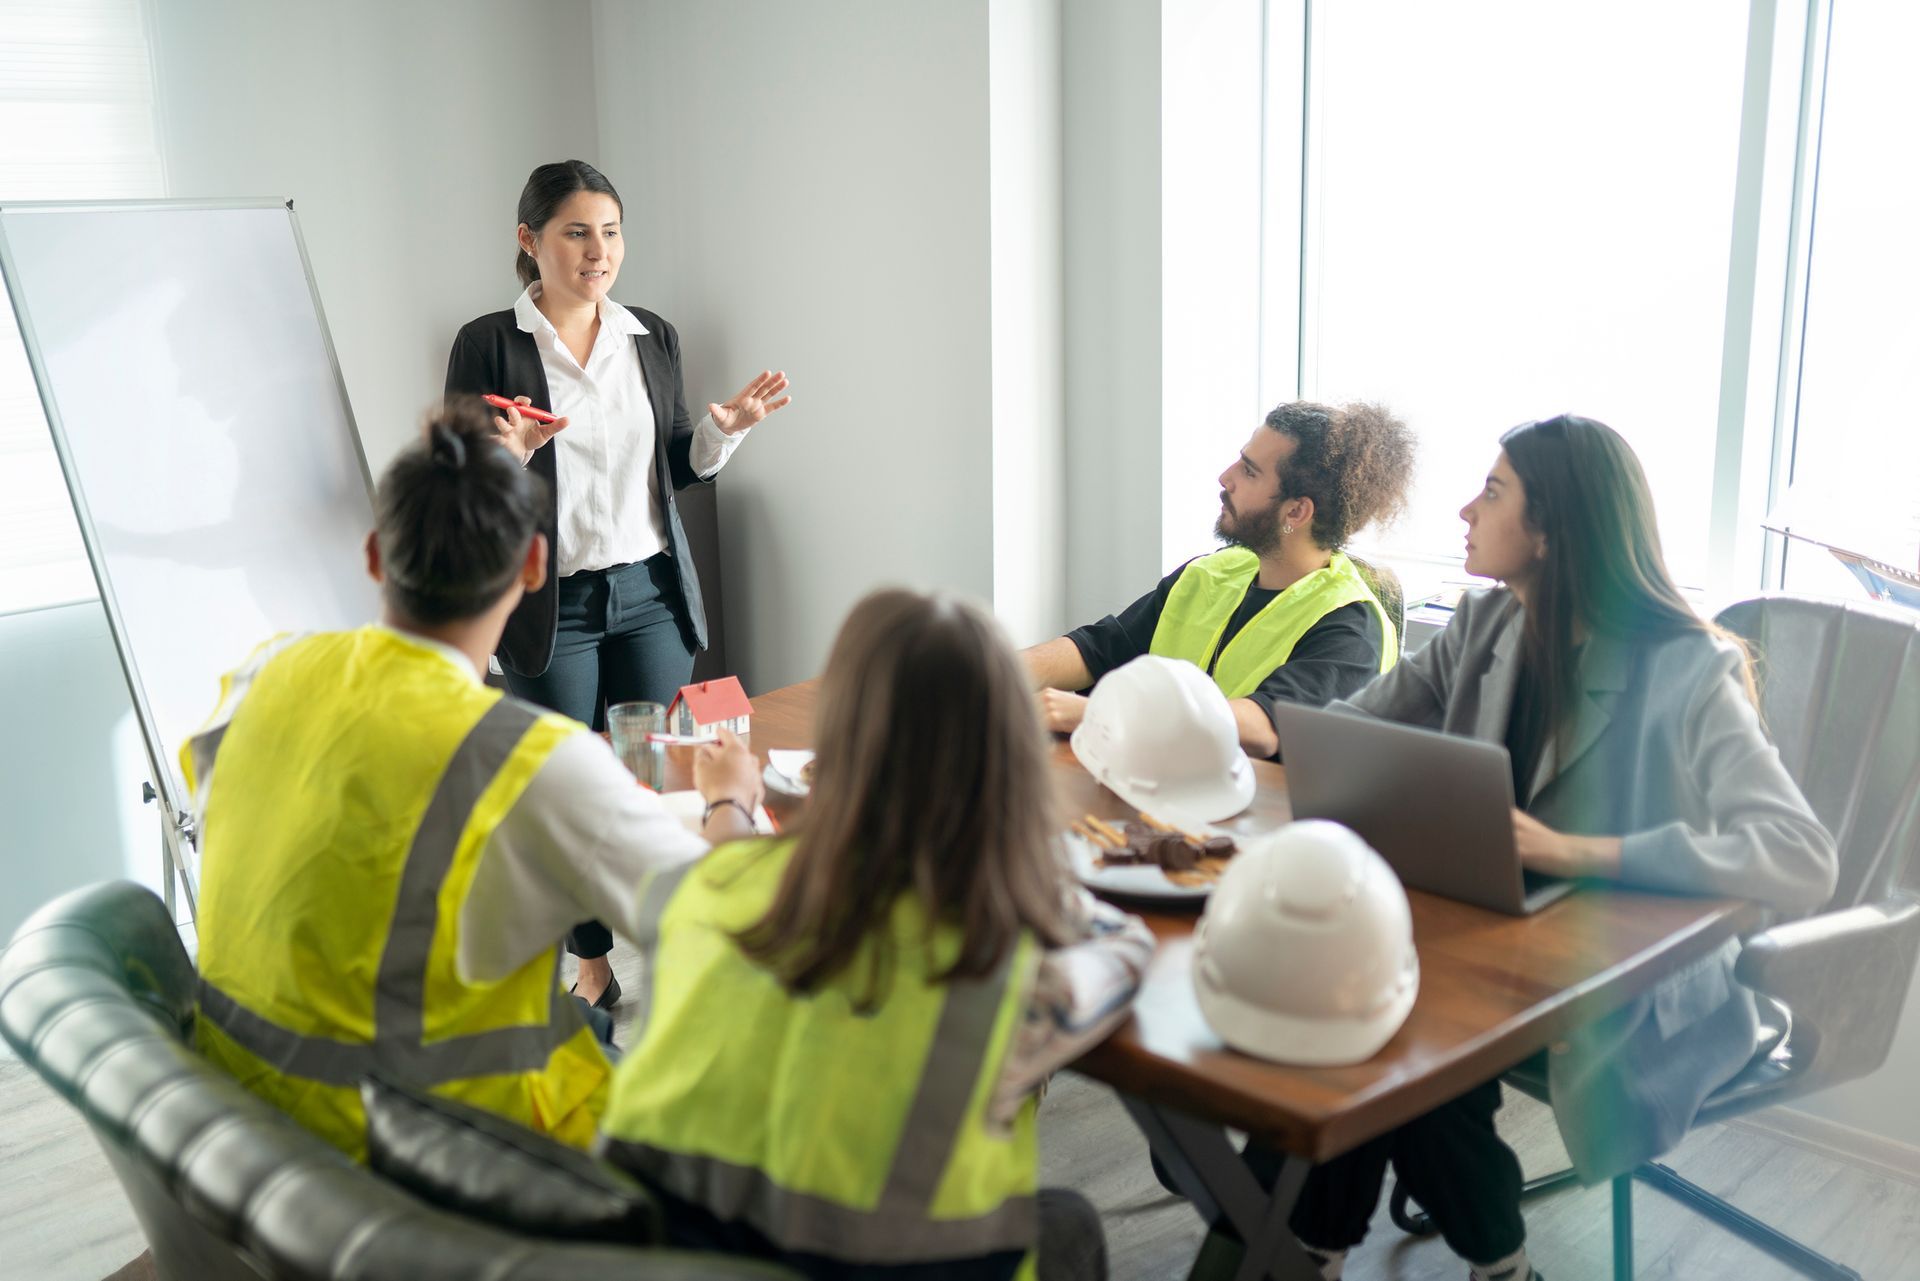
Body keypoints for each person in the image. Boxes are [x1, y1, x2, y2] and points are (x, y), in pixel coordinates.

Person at [1249, 415, 1838, 1281]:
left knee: (1409, 1050)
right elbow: (1347, 731)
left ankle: (1447, 1258)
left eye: (1492, 492)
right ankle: (1327, 1248)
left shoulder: (1687, 668)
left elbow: (1799, 854)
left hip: (1632, 986)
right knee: (1365, 1015)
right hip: (1492, 946)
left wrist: (1578, 851)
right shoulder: (1486, 626)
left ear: (1553, 526)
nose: (1465, 510)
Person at [182, 403, 765, 1161]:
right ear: (533, 566)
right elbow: (727, 919)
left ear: (373, 554)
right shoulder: (530, 759)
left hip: (254, 1131)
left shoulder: (267, 673)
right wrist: (731, 796)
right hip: (440, 1164)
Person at [596, 589, 1157, 1281]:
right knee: (1067, 1222)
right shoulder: (1012, 967)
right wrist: (1026, 867)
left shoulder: (698, 890)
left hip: (658, 1260)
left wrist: (729, 803)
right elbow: (1129, 952)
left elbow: (732, 861)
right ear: (1008, 762)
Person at [445, 158, 791, 1009]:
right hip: (548, 607)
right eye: (576, 232)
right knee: (566, 795)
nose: (598, 251)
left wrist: (723, 433)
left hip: (649, 594)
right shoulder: (489, 343)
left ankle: (684, 952)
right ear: (529, 241)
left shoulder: (652, 337)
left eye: (610, 231)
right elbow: (460, 479)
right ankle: (590, 957)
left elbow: (675, 467)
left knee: (663, 782)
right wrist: (509, 455)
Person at [1023, 401, 1416, 759]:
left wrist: (1104, 713)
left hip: (1257, 819)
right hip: (1161, 786)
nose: (1225, 478)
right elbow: (1101, 649)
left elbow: (1263, 727)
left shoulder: (1349, 626)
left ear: (1296, 511)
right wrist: (998, 670)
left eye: (1249, 471)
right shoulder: (1213, 572)